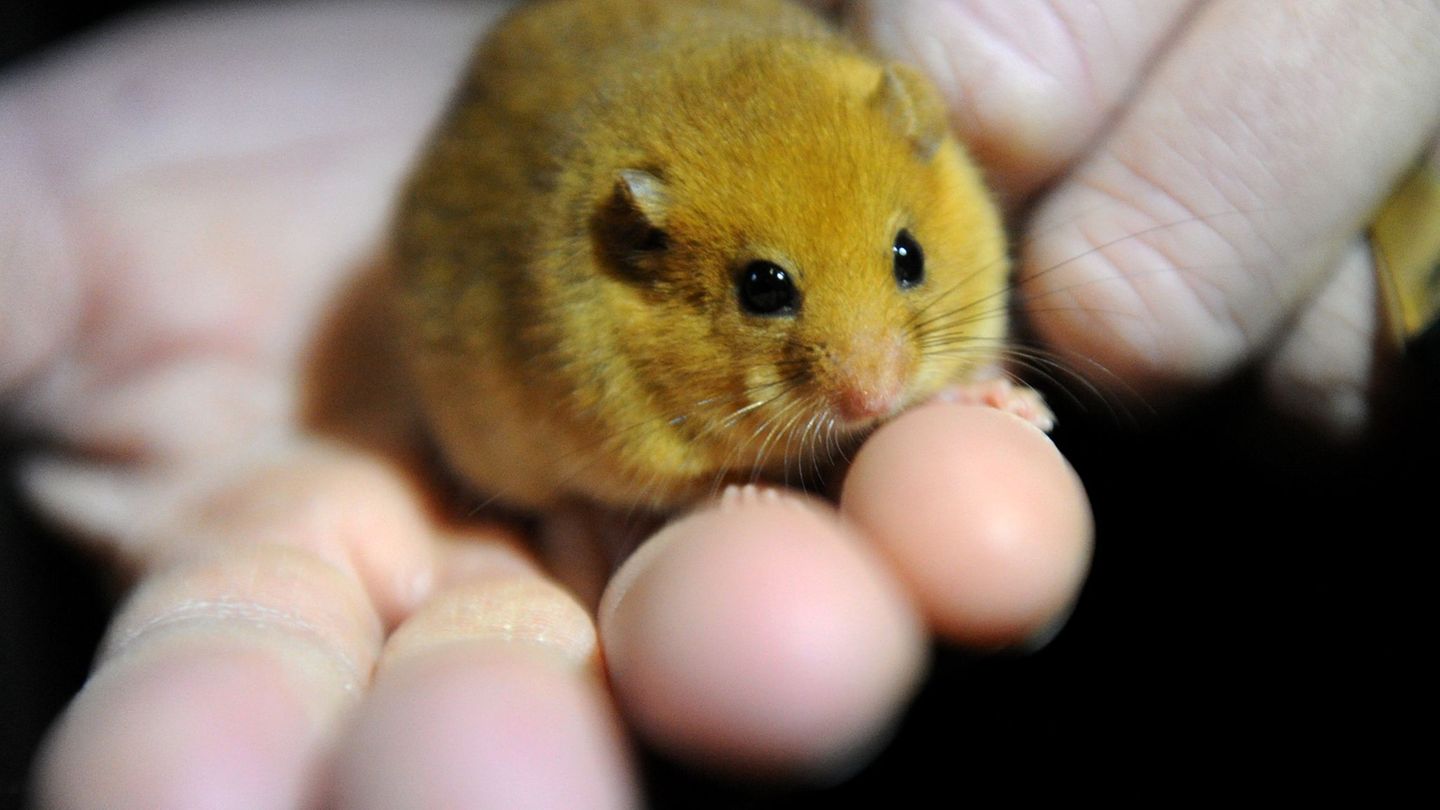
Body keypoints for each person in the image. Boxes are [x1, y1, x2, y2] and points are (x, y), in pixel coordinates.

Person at [5, 1, 1435, 807]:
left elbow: (936, 274)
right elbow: (608, 400)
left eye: (901, 268)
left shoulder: (913, 143)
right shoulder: (591, 309)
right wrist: (690, 474)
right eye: (764, 294)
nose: (870, 374)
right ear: (643, 249)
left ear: (923, 175)